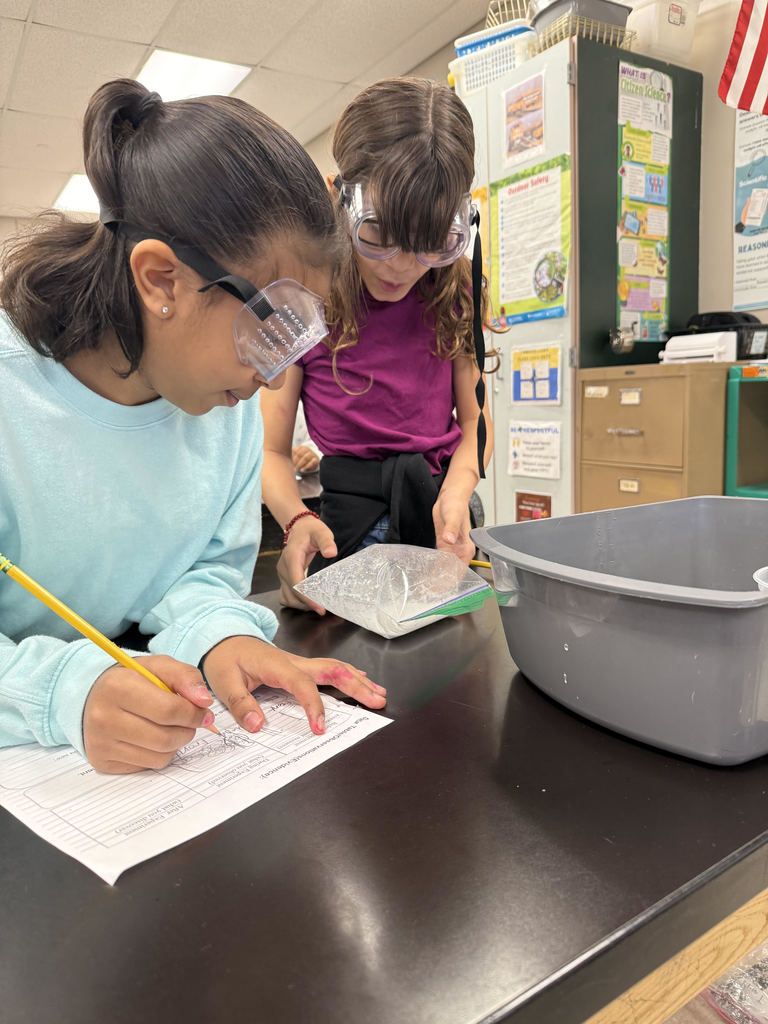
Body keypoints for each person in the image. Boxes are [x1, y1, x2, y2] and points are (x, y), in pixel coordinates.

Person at [0, 79, 386, 775]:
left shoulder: (223, 411)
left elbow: (203, 570)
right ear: (160, 280)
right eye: (268, 328)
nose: (274, 379)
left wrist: (222, 636)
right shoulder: (12, 399)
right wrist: (58, 692)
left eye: (295, 340)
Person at [261, 77, 495, 613]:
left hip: (443, 512)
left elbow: (476, 423)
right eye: (381, 235)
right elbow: (272, 452)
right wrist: (297, 521)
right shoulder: (304, 298)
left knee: (455, 655)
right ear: (339, 198)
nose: (403, 266)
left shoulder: (454, 290)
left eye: (432, 244)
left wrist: (457, 493)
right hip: (346, 526)